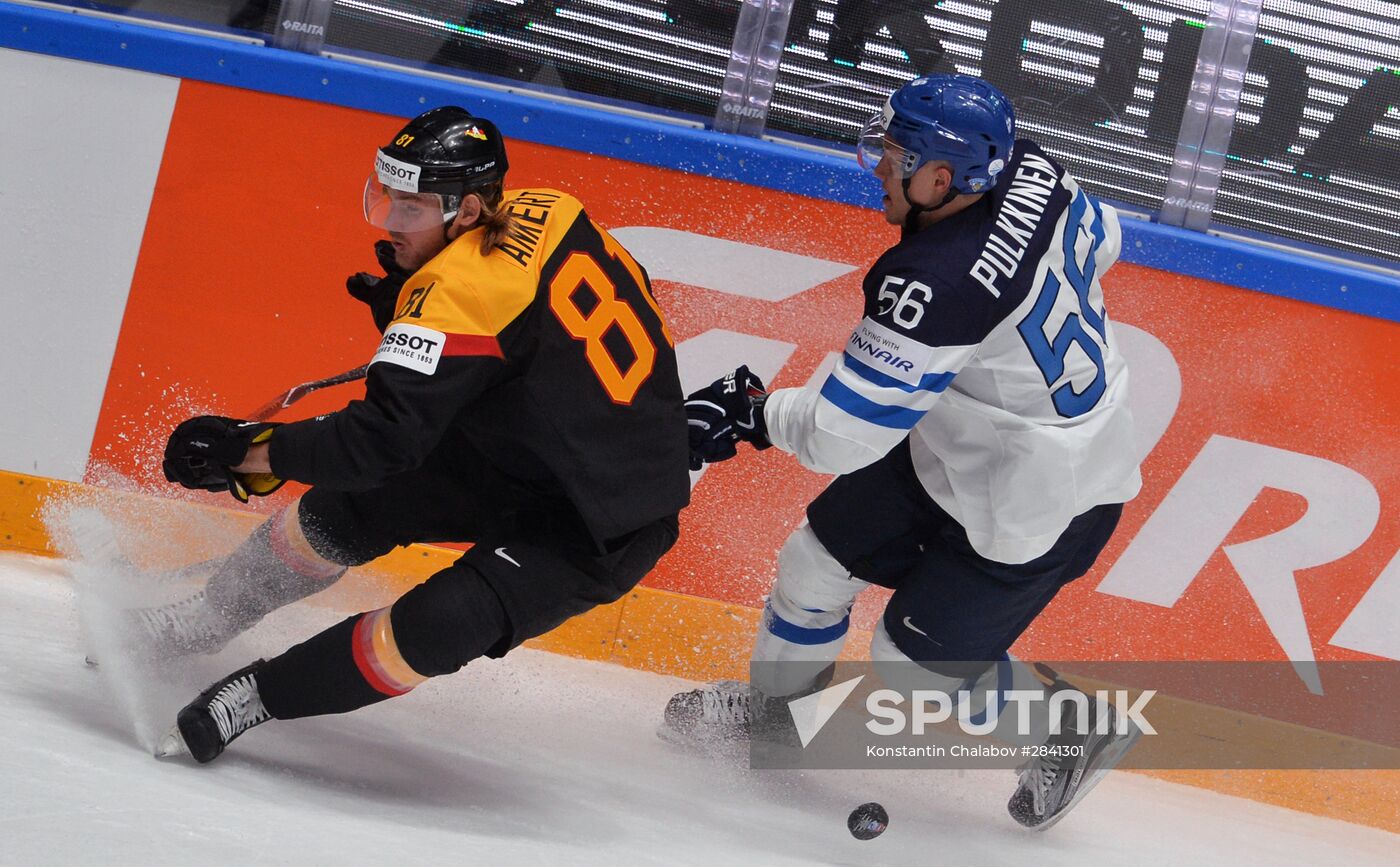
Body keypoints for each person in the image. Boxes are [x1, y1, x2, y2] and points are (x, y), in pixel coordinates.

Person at [662, 74, 1143, 829]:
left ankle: (1068, 728)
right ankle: (774, 722)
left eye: (894, 156)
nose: (877, 168)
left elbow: (839, 434)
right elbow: (1105, 237)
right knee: (813, 565)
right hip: (965, 438)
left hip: (1043, 494)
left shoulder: (937, 281)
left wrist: (751, 415)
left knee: (913, 670)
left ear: (943, 178)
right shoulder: (1034, 166)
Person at [149, 106, 689, 763]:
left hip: (602, 514)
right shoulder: (550, 205)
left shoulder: (457, 289)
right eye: (387, 199)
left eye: (411, 208)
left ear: (465, 212)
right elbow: (620, 293)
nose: (389, 223)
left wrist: (249, 449)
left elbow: (378, 440)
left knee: (435, 628)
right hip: (516, 444)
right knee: (340, 513)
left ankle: (258, 694)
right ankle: (207, 617)